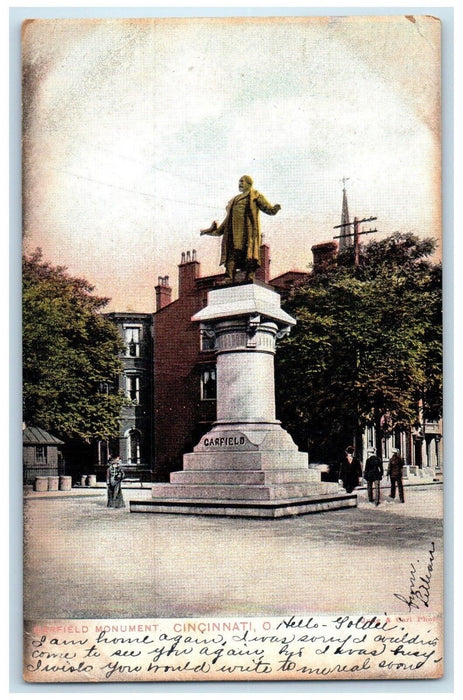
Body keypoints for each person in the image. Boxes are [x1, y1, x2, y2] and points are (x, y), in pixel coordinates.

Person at [200, 175, 281, 282]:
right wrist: (209, 231)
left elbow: (267, 208)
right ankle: (229, 278)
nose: (240, 184)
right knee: (231, 255)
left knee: (249, 254)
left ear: (249, 183)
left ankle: (250, 276)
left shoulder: (255, 195)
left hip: (247, 233)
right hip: (233, 233)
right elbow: (227, 221)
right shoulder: (234, 200)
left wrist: (274, 209)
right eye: (239, 181)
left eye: (242, 181)